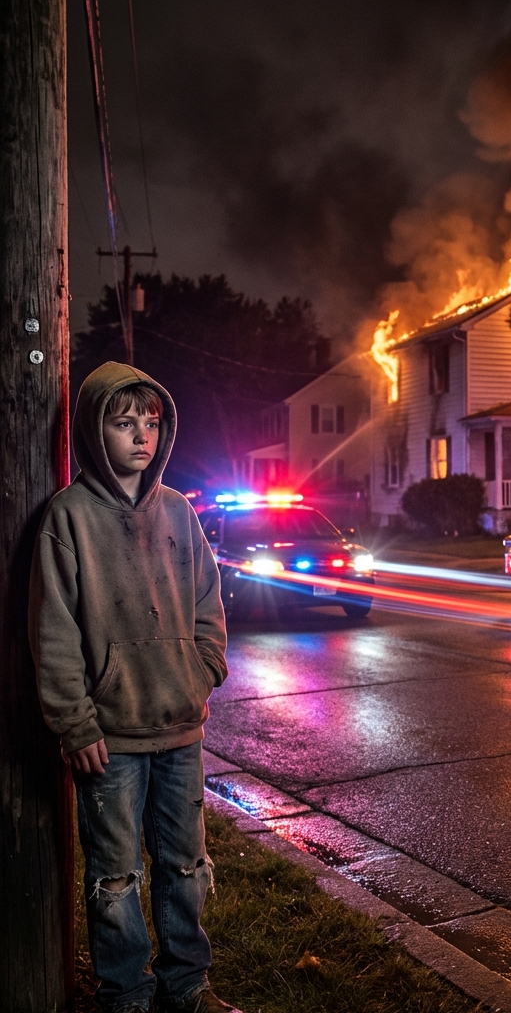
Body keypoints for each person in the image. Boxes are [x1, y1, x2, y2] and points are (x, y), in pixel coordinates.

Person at [29, 363, 239, 1013]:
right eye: (125, 423)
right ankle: (127, 995)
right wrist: (76, 724)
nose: (141, 435)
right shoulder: (67, 519)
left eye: (149, 422)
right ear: (97, 431)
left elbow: (209, 601)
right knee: (115, 876)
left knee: (185, 867)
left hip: (180, 728)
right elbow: (53, 631)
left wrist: (204, 667)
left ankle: (187, 987)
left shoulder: (178, 511)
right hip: (109, 742)